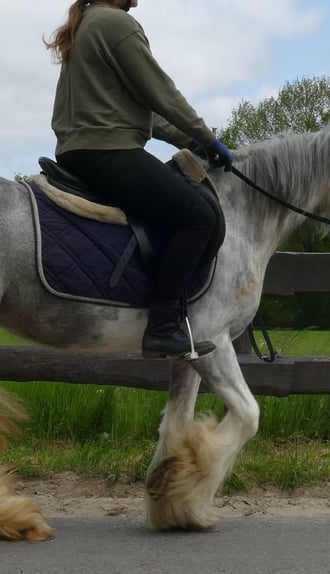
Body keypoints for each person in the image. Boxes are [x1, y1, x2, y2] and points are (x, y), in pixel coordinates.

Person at [45, 0, 233, 360]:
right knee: (199, 217)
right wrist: (208, 138)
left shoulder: (87, 22)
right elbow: (163, 95)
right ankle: (163, 326)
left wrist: (189, 140)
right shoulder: (117, 24)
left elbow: (139, 112)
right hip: (108, 151)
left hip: (79, 151)